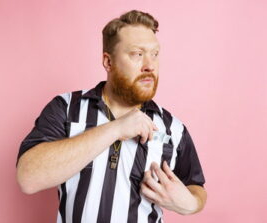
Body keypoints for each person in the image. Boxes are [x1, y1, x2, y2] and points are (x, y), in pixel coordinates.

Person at [16, 10, 207, 223]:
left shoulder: (173, 128)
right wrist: (115, 129)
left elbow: (196, 187)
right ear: (108, 62)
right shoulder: (66, 108)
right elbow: (28, 178)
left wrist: (190, 204)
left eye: (154, 54)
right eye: (137, 53)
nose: (150, 65)